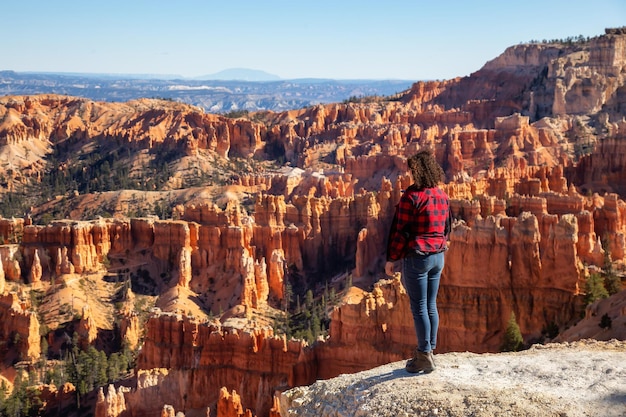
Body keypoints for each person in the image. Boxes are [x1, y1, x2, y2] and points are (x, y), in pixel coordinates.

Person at [385, 149, 451, 374]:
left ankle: (423, 355)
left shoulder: (411, 197)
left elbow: (401, 232)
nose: (409, 174)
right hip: (438, 256)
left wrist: (392, 258)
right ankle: (429, 350)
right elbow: (447, 228)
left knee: (419, 306)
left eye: (412, 170)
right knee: (431, 304)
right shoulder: (442, 195)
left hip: (418, 257)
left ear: (418, 171)